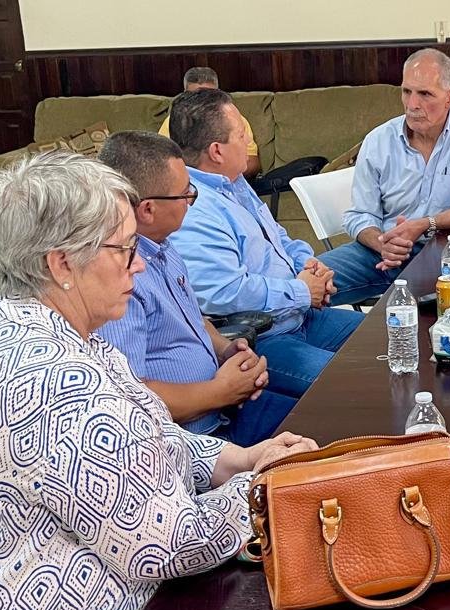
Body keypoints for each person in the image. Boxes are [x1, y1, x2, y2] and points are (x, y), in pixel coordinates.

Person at [0, 151, 318, 610]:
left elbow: (144, 428)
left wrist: (231, 460)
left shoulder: (32, 326)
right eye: (123, 249)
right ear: (61, 264)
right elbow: (168, 544)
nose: (138, 266)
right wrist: (265, 490)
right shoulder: (51, 381)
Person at [95, 131, 297, 445]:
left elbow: (192, 316)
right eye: (186, 194)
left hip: (226, 407)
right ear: (148, 209)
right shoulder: (120, 279)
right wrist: (219, 392)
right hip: (198, 439)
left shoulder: (163, 246)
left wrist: (227, 351)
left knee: (340, 422)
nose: (192, 200)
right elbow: (129, 397)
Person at [167, 88, 363, 398]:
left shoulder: (233, 181)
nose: (249, 142)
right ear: (217, 151)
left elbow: (278, 237)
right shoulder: (195, 209)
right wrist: (301, 291)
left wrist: (310, 266)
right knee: (356, 383)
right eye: (242, 134)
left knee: (389, 338)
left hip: (302, 316)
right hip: (264, 338)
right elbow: (225, 293)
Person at [317, 49, 450, 305]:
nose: (412, 104)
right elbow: (360, 215)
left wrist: (425, 223)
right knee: (308, 281)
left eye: (425, 94)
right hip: (385, 253)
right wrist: (382, 243)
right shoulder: (378, 141)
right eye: (407, 92)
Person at [158, 67, 261, 178]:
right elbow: (161, 162)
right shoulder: (173, 121)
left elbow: (252, 163)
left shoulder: (233, 118)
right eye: (195, 97)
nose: (202, 102)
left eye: (209, 96)